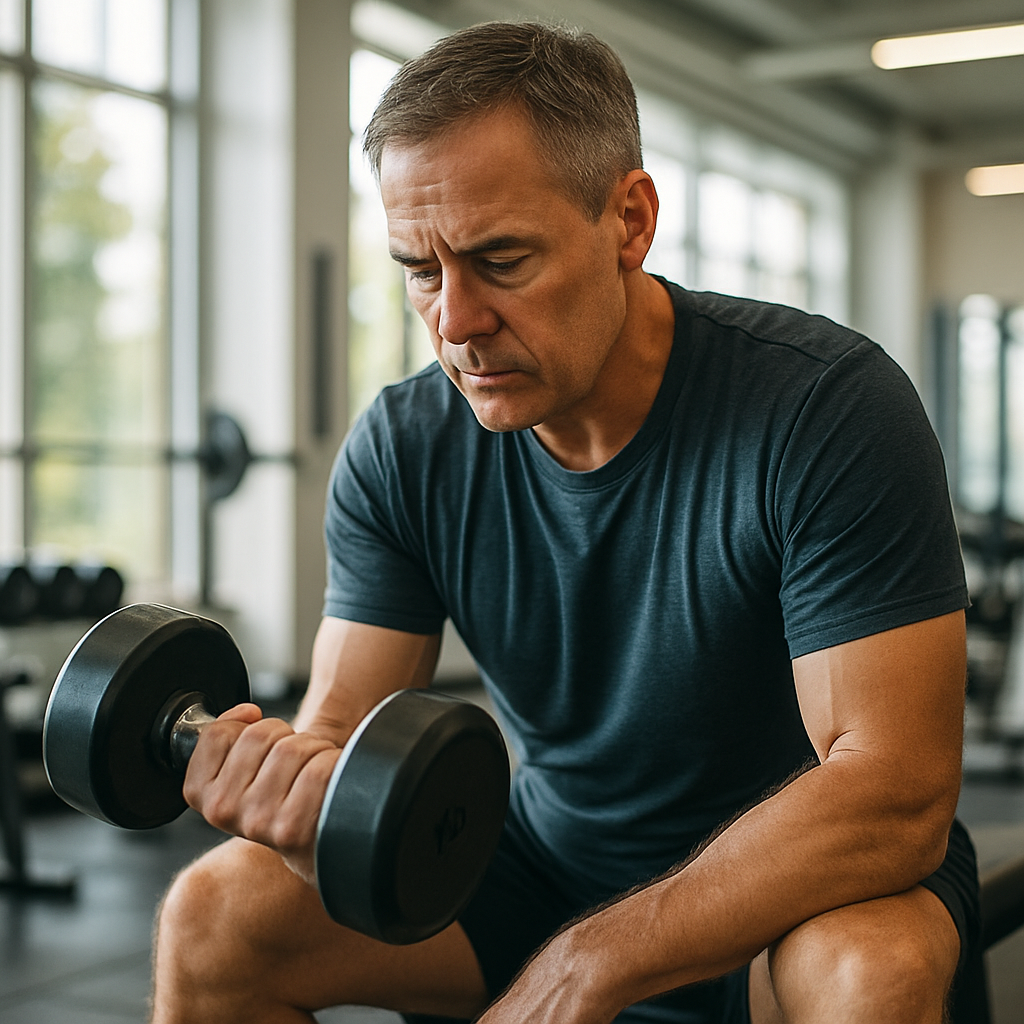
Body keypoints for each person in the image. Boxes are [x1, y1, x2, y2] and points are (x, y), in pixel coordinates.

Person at [151, 21, 983, 1024]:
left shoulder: (822, 408)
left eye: (499, 259)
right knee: (215, 912)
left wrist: (592, 959)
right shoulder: (406, 447)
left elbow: (891, 789)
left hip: (801, 890)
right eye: (421, 269)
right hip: (546, 870)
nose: (454, 321)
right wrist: (295, 810)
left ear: (628, 219)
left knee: (869, 975)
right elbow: (338, 729)